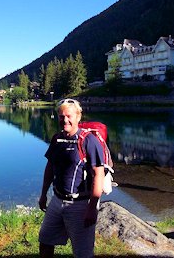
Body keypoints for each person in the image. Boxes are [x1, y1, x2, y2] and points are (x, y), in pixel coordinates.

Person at [38, 98, 105, 258]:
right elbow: (50, 168)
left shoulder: (88, 141)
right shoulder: (57, 139)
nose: (65, 120)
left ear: (78, 117)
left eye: (69, 116)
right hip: (57, 200)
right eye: (61, 116)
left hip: (80, 204)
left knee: (82, 253)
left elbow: (98, 174)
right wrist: (43, 194)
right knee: (45, 240)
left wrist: (92, 207)